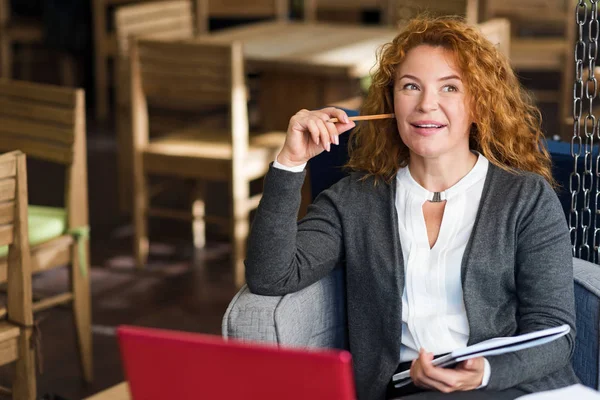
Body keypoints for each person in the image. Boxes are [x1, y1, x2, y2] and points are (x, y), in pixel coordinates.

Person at [244, 16, 578, 400]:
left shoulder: (526, 197)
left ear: (478, 103)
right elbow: (270, 276)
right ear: (391, 102)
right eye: (410, 87)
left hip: (509, 386)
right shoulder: (356, 198)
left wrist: (483, 372)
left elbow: (555, 331)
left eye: (449, 87)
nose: (426, 105)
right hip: (410, 390)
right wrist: (290, 161)